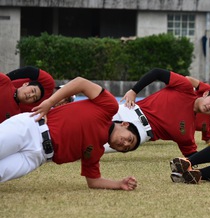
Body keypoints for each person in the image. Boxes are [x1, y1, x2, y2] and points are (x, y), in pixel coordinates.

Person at [0, 77, 140, 191]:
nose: (125, 144)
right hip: (32, 127)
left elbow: (94, 181)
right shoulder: (109, 107)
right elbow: (81, 83)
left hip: (36, 158)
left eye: (126, 148)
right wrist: (49, 102)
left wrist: (119, 184)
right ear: (124, 124)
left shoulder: (96, 152)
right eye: (130, 139)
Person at [121, 68, 210, 157]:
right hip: (130, 111)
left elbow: (193, 156)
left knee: (108, 141)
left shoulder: (188, 134)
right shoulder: (185, 87)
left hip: (139, 134)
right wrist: (134, 91)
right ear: (205, 94)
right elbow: (157, 73)